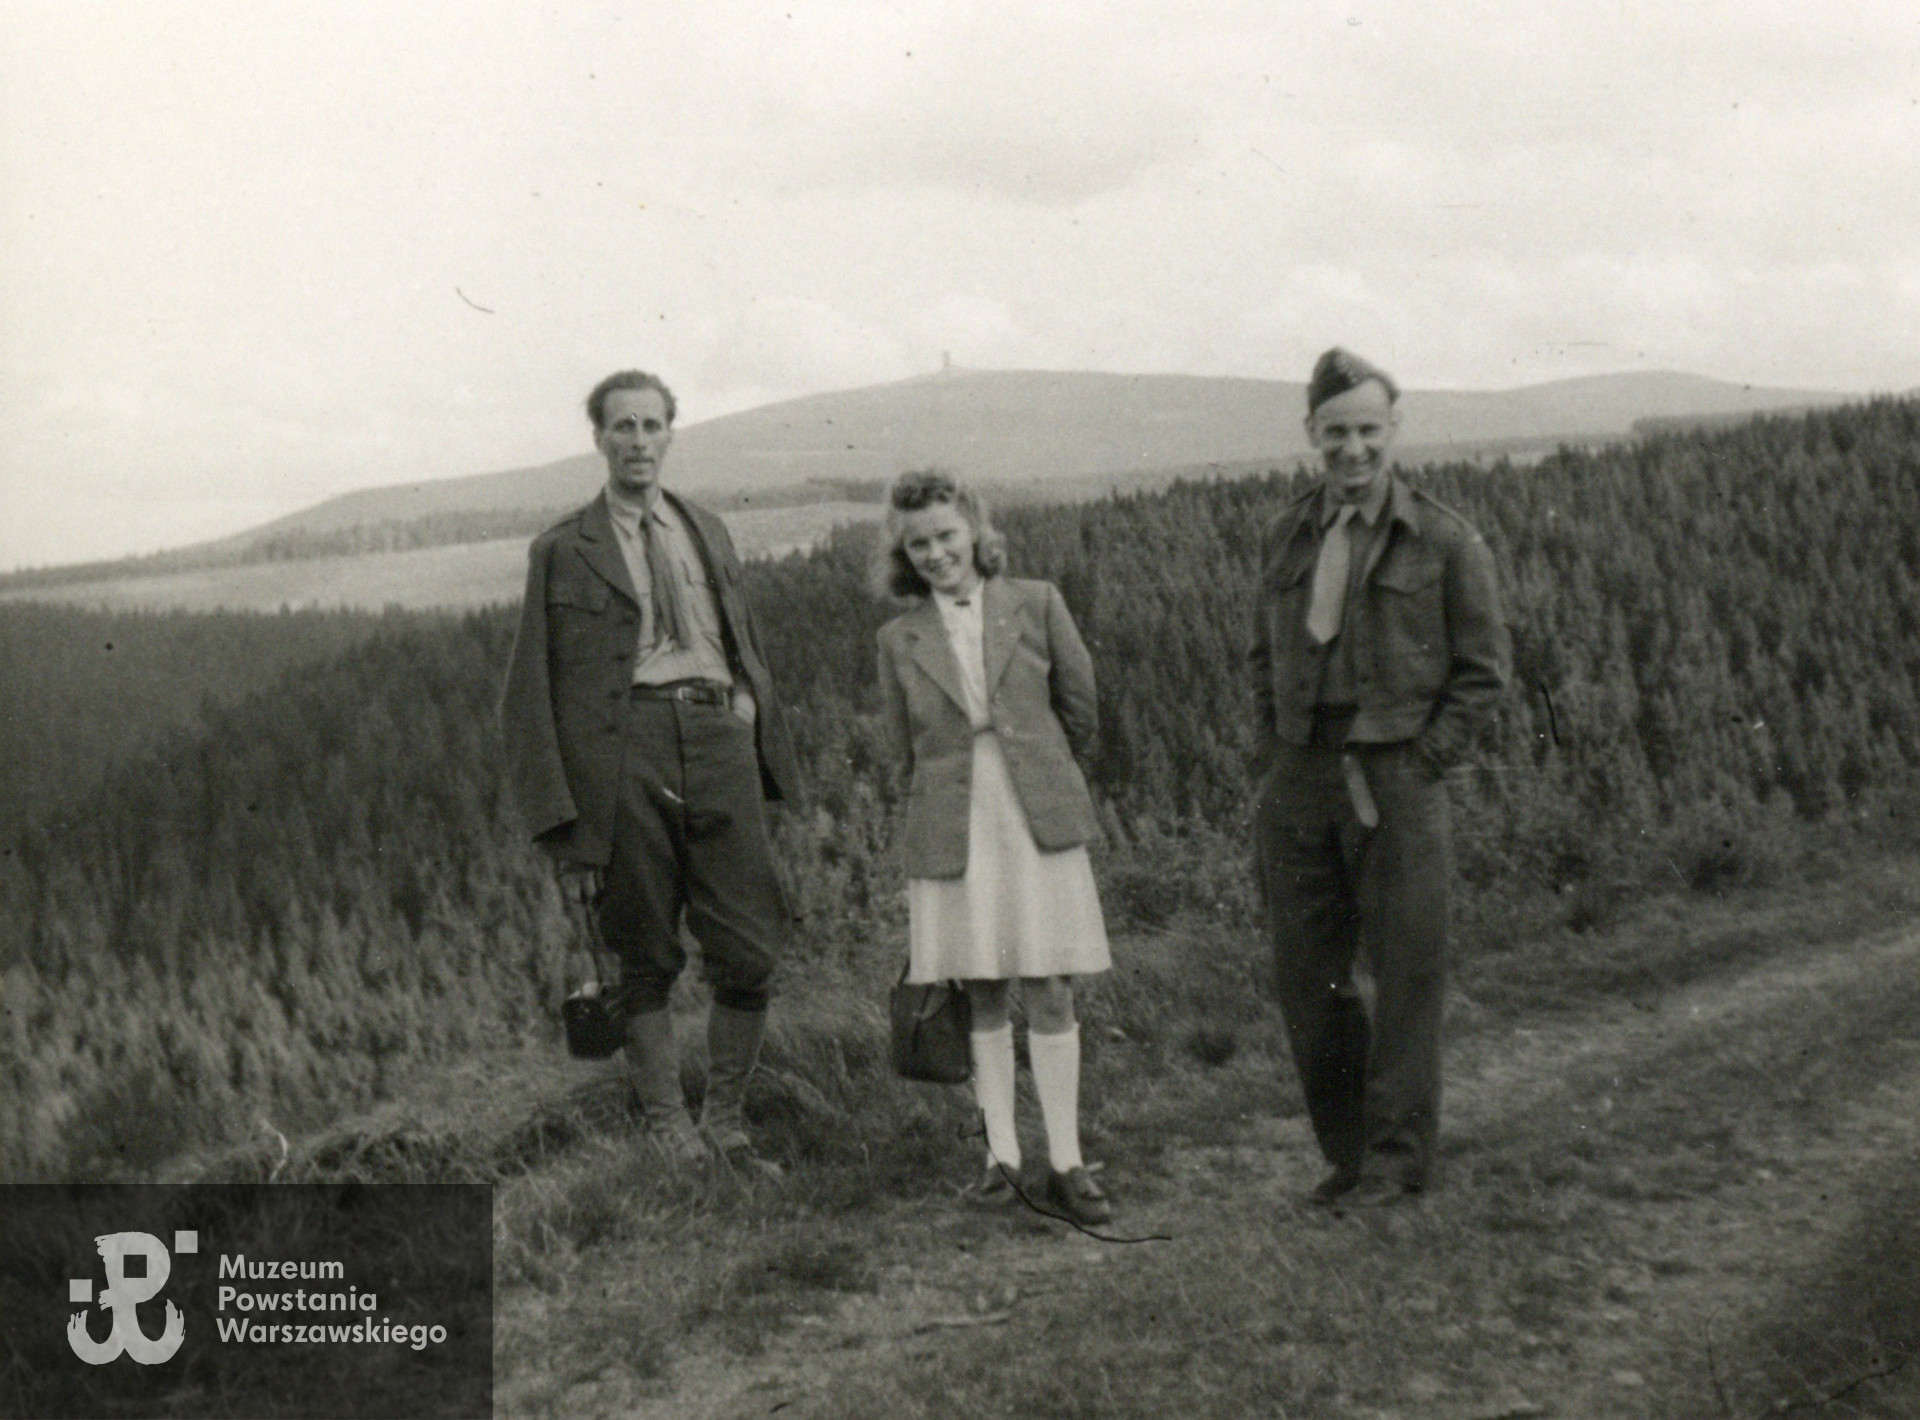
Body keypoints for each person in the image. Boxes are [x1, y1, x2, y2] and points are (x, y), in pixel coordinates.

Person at [500, 369, 803, 1174]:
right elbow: (528, 692)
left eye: (651, 426)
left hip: (716, 736)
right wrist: (561, 820)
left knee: (749, 948)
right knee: (642, 953)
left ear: (671, 433)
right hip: (624, 749)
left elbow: (742, 637)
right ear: (598, 439)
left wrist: (742, 708)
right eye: (622, 427)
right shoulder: (563, 549)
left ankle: (726, 1124)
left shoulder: (707, 528)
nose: (638, 441)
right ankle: (674, 1137)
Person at [1249, 348, 1510, 1208]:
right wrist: (1279, 754)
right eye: (1335, 432)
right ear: (1311, 435)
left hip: (1396, 775)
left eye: (1368, 429)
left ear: (1394, 431)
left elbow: (1483, 675)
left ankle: (1398, 1166)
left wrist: (1421, 764)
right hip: (1299, 775)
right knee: (1308, 979)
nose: (1352, 449)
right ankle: (1352, 1155)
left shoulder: (1444, 537)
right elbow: (1264, 656)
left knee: (1406, 975)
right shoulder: (1287, 533)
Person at [873, 469, 1116, 1226]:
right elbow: (896, 749)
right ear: (905, 556)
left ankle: (1069, 1162)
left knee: (1047, 983)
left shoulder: (1035, 602)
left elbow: (1080, 708)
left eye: (947, 535)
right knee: (980, 988)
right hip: (953, 818)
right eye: (920, 545)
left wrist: (1041, 777)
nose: (938, 554)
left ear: (975, 528)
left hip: (1032, 809)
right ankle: (1002, 1158)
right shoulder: (899, 638)